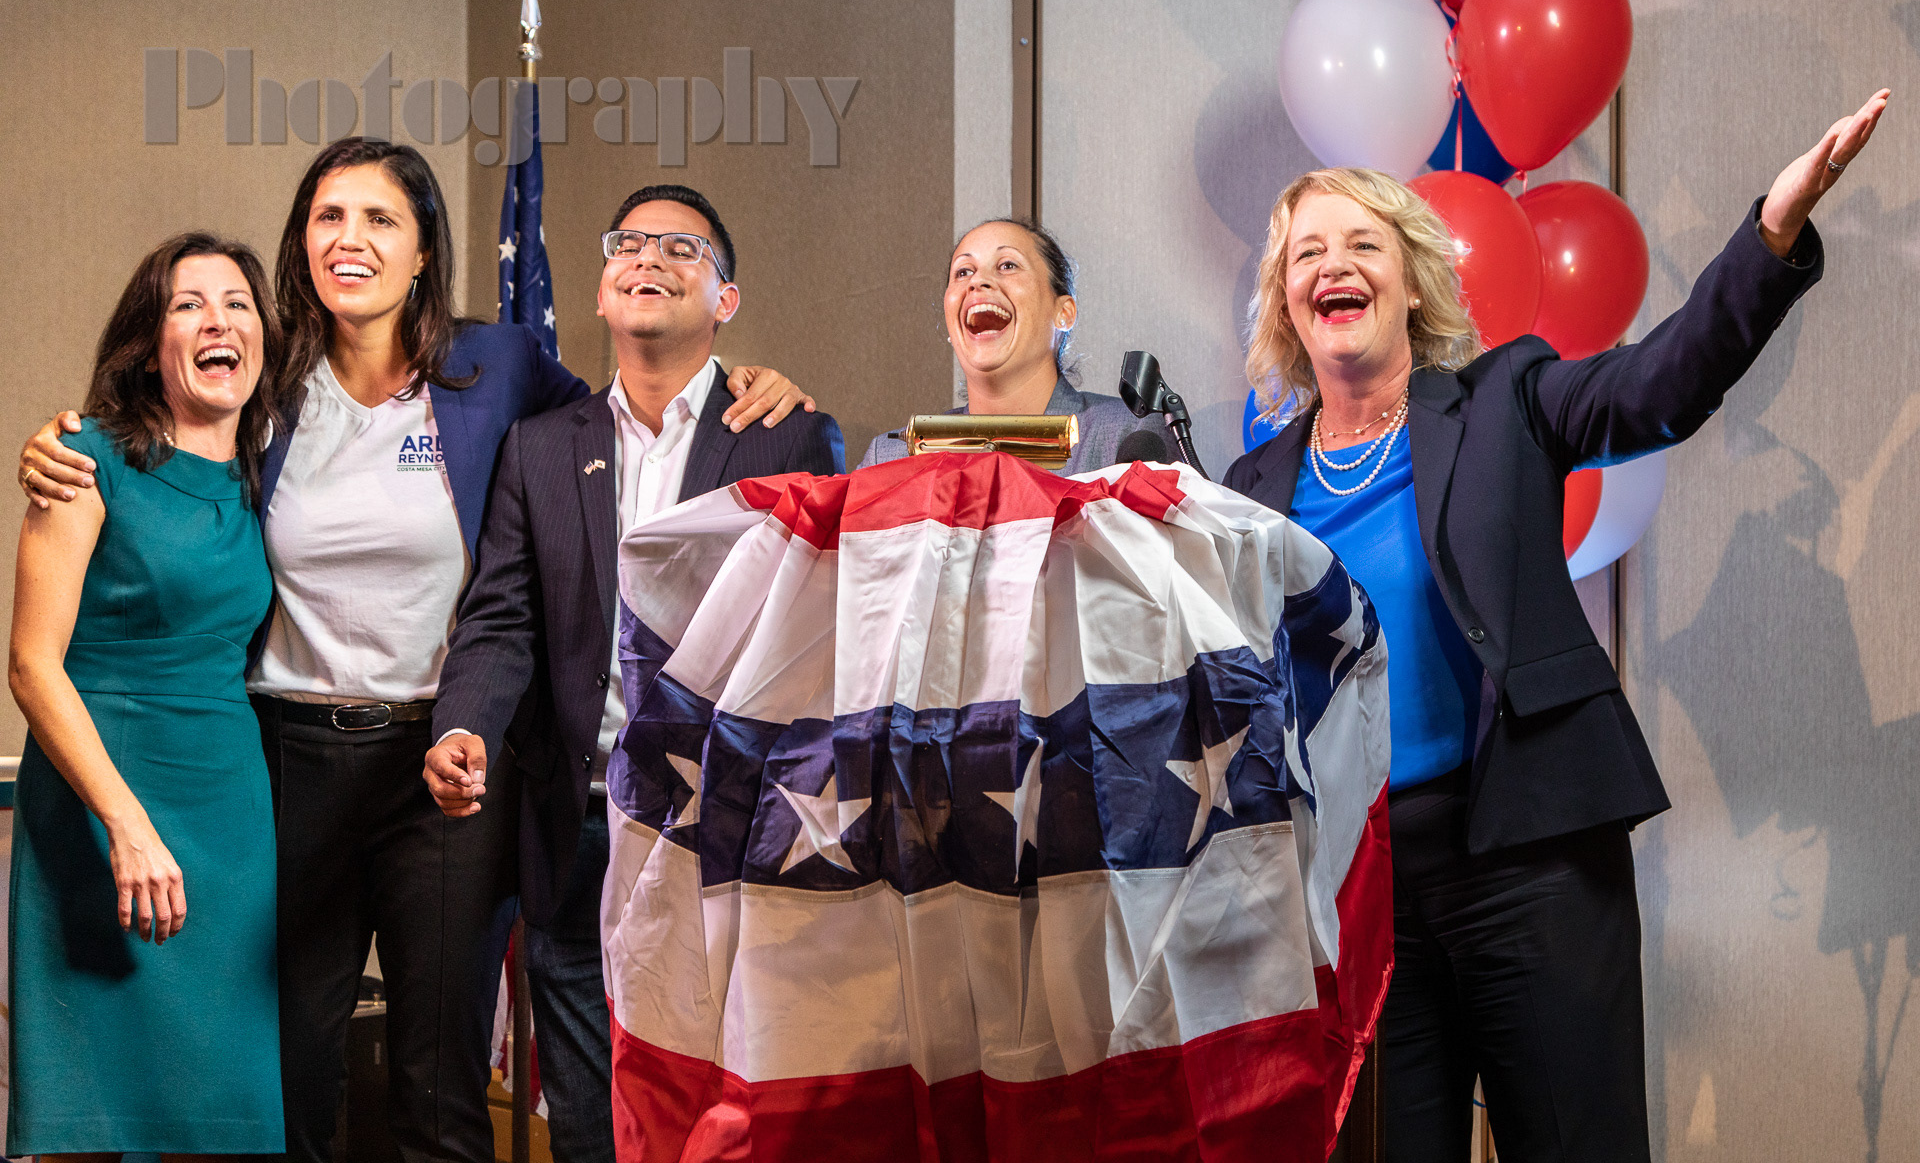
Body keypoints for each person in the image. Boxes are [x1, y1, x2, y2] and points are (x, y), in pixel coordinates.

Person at [15, 140, 815, 1163]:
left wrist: (747, 378)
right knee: (292, 1071)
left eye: (380, 219)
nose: (349, 239)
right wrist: (66, 439)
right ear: (302, 241)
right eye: (328, 217)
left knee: (439, 1088)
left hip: (444, 768)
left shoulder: (499, 367)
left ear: (425, 248)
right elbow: (165, 440)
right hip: (284, 762)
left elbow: (625, 410)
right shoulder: (267, 378)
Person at [1223, 89, 1889, 1162]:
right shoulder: (1246, 489)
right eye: (1308, 252)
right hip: (1353, 888)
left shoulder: (1504, 400)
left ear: (1410, 280)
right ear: (1286, 301)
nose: (1333, 264)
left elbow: (1663, 382)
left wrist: (1770, 235)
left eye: (1362, 243)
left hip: (1528, 851)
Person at [422, 183, 843, 1163]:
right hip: (577, 822)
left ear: (725, 299)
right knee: (587, 1109)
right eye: (628, 244)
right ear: (603, 290)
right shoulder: (540, 447)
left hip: (730, 821)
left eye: (681, 247)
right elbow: (502, 618)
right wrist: (463, 724)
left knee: (723, 1099)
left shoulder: (786, 435)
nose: (648, 256)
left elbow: (817, 639)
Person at [8, 233, 285, 1155]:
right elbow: (31, 664)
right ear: (148, 342)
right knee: (96, 1118)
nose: (218, 321)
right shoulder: (83, 460)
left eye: (237, 304)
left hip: (229, 818)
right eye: (188, 304)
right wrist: (125, 825)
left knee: (225, 1114)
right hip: (101, 809)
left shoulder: (268, 474)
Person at [858, 217, 1176, 472]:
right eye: (963, 271)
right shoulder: (890, 458)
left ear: (1064, 313)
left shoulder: (1127, 435)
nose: (977, 281)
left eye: (1007, 265)